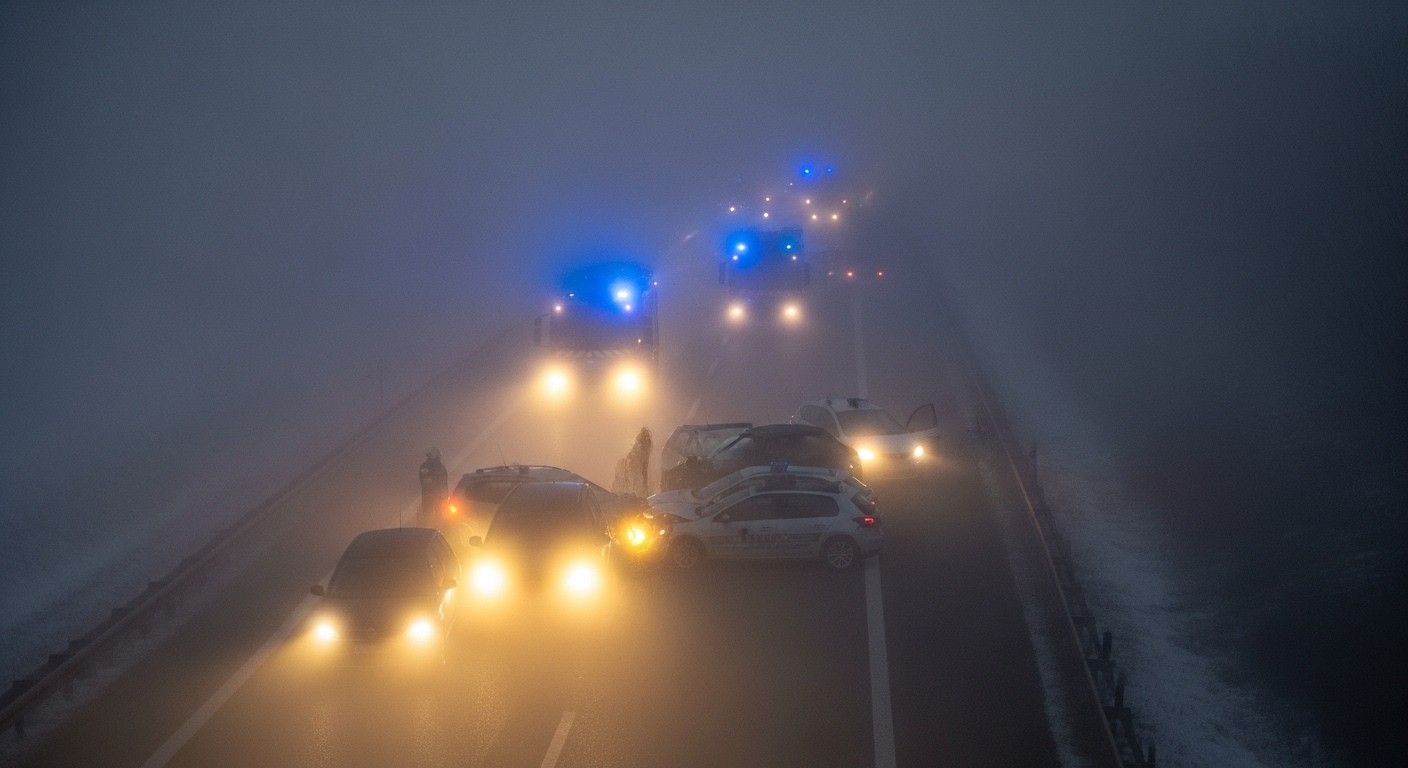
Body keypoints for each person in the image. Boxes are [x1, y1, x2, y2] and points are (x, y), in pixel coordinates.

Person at [418, 447, 448, 523]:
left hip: (436, 496)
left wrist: (445, 495)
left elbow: (444, 482)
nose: (439, 457)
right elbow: (424, 480)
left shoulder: (440, 467)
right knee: (428, 515)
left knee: (439, 514)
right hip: (429, 495)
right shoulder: (426, 467)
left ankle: (437, 527)